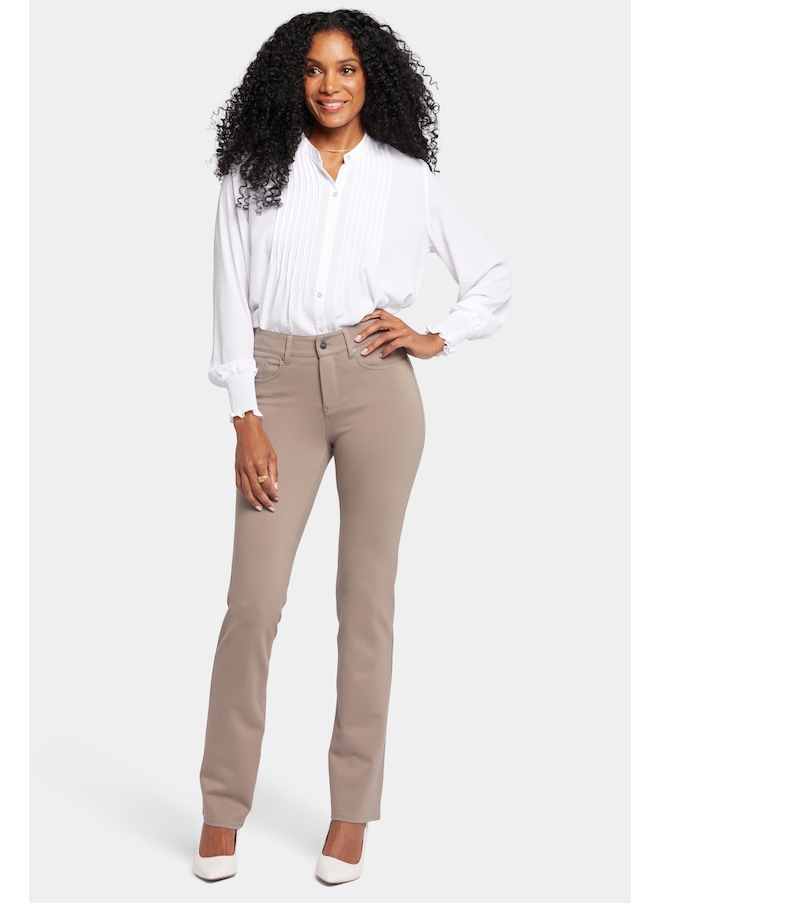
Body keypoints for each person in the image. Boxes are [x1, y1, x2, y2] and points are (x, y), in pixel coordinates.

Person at [193, 9, 511, 885]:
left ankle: (350, 812)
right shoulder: (252, 170)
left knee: (365, 604)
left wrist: (436, 335)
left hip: (378, 387)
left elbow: (492, 276)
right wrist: (244, 416)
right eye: (312, 69)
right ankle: (222, 804)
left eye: (345, 69)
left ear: (372, 77)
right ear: (289, 79)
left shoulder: (407, 178)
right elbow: (227, 292)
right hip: (277, 384)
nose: (329, 85)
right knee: (253, 602)